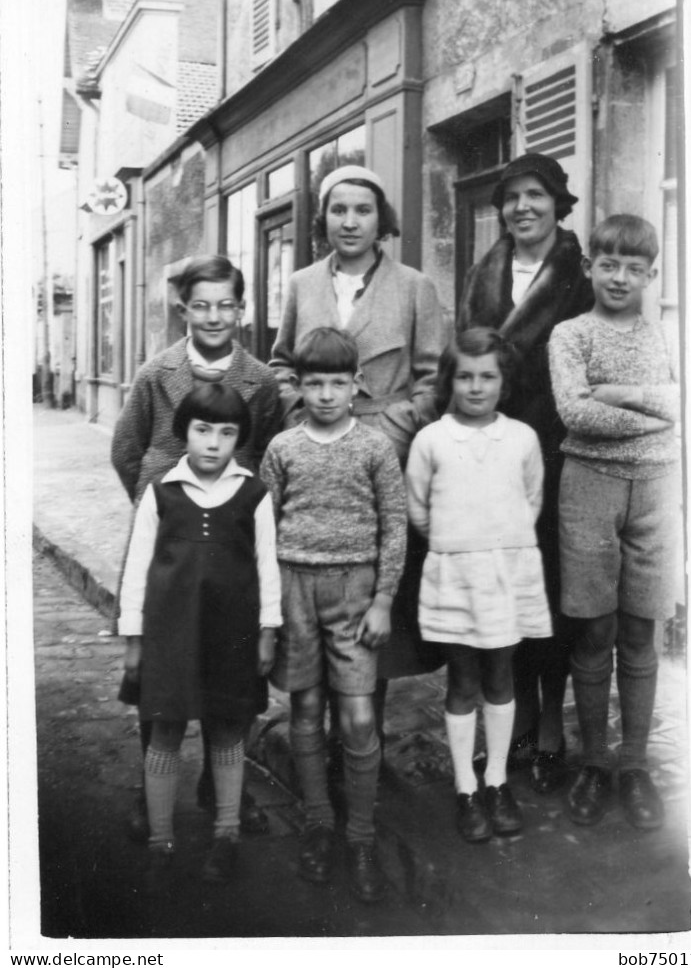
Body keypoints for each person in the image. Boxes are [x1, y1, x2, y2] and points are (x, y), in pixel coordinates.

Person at [112, 255, 282, 837]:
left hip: (231, 536)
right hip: (170, 539)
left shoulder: (259, 380)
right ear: (184, 310)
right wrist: (156, 498)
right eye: (202, 305)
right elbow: (127, 449)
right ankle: (149, 788)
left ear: (242, 308)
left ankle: (219, 784)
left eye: (226, 305)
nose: (214, 316)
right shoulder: (156, 374)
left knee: (226, 666)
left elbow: (265, 453)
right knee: (162, 668)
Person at [269, 164, 446, 697]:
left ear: (380, 219)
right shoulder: (302, 284)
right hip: (315, 455)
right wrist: (301, 414)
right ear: (324, 219)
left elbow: (434, 377)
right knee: (314, 596)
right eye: (339, 210)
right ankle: (315, 732)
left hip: (382, 457)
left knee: (377, 600)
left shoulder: (415, 286)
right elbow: (280, 365)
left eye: (363, 210)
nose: (351, 222)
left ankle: (367, 733)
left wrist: (397, 426)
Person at [457, 153, 594, 793]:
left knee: (554, 592)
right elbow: (463, 361)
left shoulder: (579, 274)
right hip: (494, 453)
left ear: (557, 203)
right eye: (511, 197)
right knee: (504, 587)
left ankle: (549, 725)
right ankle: (519, 713)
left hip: (562, 450)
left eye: (535, 195)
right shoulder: (483, 273)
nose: (522, 208)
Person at [260, 327, 407, 903]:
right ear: (297, 385)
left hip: (356, 593)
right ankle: (320, 824)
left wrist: (384, 599)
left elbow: (394, 525)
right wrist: (270, 612)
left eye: (337, 382)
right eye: (313, 382)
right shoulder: (283, 448)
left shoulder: (374, 447)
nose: (325, 394)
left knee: (358, 720)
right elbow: (264, 529)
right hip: (295, 587)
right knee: (305, 710)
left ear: (357, 384)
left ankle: (361, 835)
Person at [118, 382, 282, 882]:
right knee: (164, 729)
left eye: (226, 433)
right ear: (184, 431)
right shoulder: (161, 494)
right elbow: (137, 568)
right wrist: (133, 637)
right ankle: (160, 839)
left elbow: (266, 566)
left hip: (231, 634)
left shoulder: (253, 494)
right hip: (171, 635)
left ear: (239, 439)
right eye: (202, 430)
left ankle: (226, 833)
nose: (213, 443)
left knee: (228, 729)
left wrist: (267, 630)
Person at [548, 214, 680, 831]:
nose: (620, 278)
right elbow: (576, 413)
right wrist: (658, 413)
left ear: (651, 275)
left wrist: (621, 395)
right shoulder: (570, 336)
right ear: (589, 268)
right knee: (593, 630)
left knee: (641, 630)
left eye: (634, 268)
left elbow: (689, 404)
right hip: (589, 488)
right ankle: (595, 763)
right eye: (609, 265)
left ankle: (635, 764)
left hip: (656, 490)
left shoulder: (670, 336)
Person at [406, 327, 552, 842]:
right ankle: (466, 787)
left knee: (501, 675)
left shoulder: (521, 439)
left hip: (505, 575)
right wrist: (459, 544)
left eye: (487, 376)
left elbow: (530, 499)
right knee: (463, 680)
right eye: (464, 377)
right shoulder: (431, 441)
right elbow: (419, 509)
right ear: (449, 381)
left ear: (503, 382)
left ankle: (496, 780)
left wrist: (500, 545)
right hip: (456, 576)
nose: (475, 387)